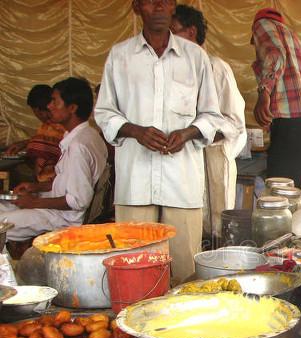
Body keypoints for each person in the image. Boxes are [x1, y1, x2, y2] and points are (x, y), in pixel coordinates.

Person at [94, 0, 233, 284]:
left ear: (173, 8)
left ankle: (181, 327)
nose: (158, 6)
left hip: (181, 183)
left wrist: (187, 133)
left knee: (184, 270)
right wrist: (135, 130)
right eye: (150, 1)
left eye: (166, 1)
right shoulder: (120, 56)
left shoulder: (195, 57)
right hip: (135, 182)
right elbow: (104, 113)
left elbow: (211, 115)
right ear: (136, 8)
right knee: (134, 266)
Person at [170, 4, 246, 242]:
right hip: (180, 164)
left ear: (191, 33)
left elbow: (234, 122)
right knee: (185, 232)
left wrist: (195, 134)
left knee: (215, 231)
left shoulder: (216, 68)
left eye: (172, 32)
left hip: (212, 160)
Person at [0, 78, 107, 242]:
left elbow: (77, 201)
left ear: (72, 108)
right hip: (54, 208)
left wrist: (34, 202)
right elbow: (69, 181)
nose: (49, 106)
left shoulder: (78, 146)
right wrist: (36, 186)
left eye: (55, 102)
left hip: (64, 219)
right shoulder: (87, 135)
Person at [251, 8, 301, 186]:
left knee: (280, 193)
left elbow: (275, 55)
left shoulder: (263, 25)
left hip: (293, 119)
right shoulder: (295, 40)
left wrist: (264, 93)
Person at [4, 85, 66, 183]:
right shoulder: (58, 123)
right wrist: (25, 143)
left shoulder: (53, 125)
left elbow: (41, 145)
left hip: (52, 184)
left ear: (38, 110)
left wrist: (28, 145)